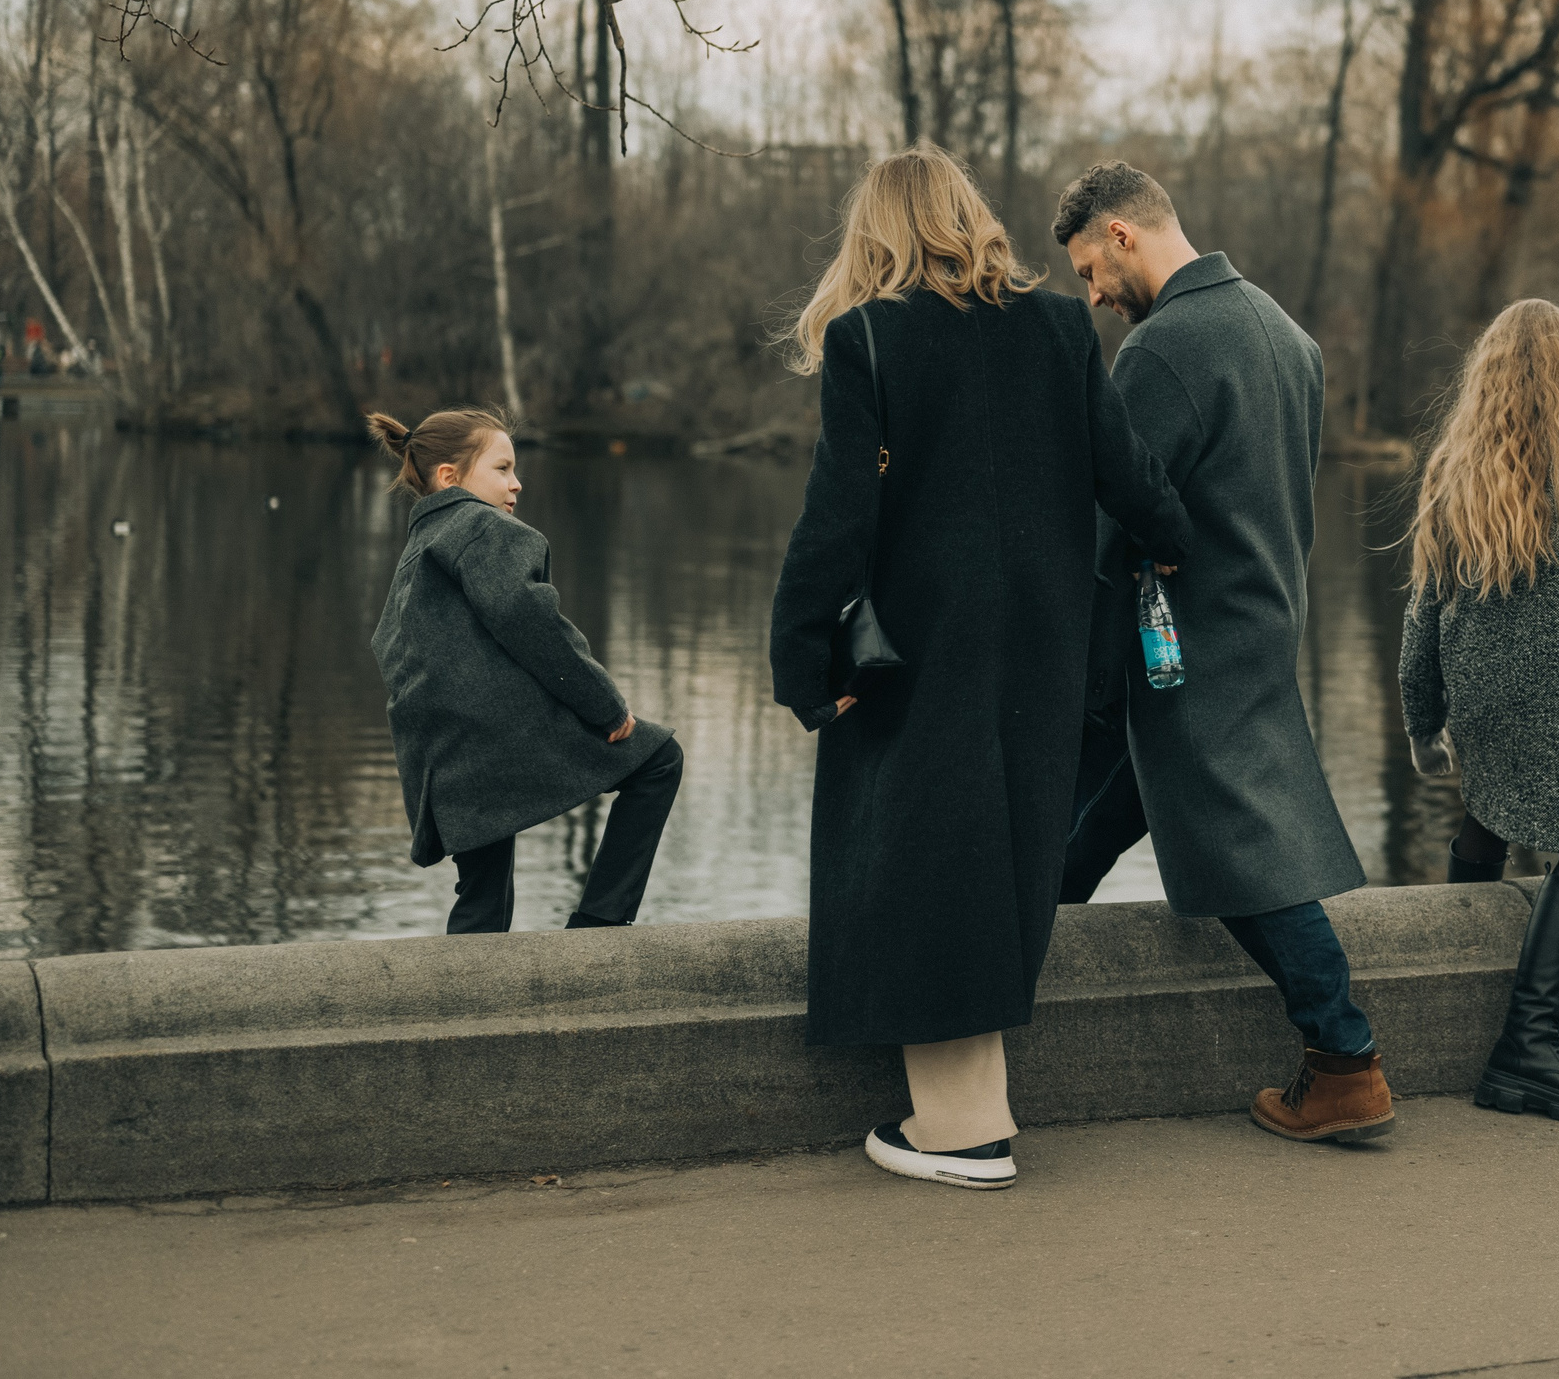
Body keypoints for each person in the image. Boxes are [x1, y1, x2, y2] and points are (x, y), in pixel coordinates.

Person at [768, 145, 1191, 1193]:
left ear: (876, 229)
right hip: (1043, 646)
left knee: (923, 861)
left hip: (922, 647)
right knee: (1003, 849)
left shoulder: (869, 337)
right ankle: (973, 1109)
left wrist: (799, 658)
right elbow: (1123, 471)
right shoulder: (1057, 325)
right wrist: (1174, 539)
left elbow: (837, 518)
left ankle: (962, 1132)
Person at [1053, 161, 1392, 1147]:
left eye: (1087, 269)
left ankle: (1346, 1060)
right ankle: (1005, 996)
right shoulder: (1285, 332)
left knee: (1248, 859)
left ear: (1121, 234)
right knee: (1083, 825)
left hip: (1177, 645)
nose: (1093, 296)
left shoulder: (1162, 351)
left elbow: (1118, 512)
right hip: (1258, 622)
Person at [1401, 299, 1559, 1124]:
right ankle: (1528, 1046)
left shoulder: (1458, 463)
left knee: (1488, 814)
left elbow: (1424, 612)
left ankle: (1451, 996)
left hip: (1481, 698)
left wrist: (1421, 717)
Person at [366, 407, 684, 936]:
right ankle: (598, 924)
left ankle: (466, 1006)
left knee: (483, 899)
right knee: (659, 761)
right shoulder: (479, 526)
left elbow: (390, 649)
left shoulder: (417, 549)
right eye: (502, 468)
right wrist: (604, 705)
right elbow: (531, 621)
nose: (517, 482)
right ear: (450, 477)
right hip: (495, 737)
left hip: (443, 753)